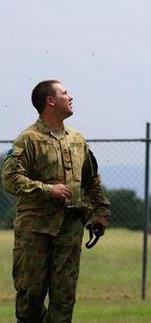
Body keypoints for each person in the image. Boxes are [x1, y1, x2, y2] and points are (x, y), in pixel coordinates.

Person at [2, 80, 111, 323]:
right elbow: (10, 179)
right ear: (50, 101)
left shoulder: (77, 139)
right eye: (64, 93)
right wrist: (47, 190)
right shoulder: (28, 139)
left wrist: (100, 212)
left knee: (64, 298)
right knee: (31, 294)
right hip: (35, 230)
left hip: (69, 229)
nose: (70, 97)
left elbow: (91, 180)